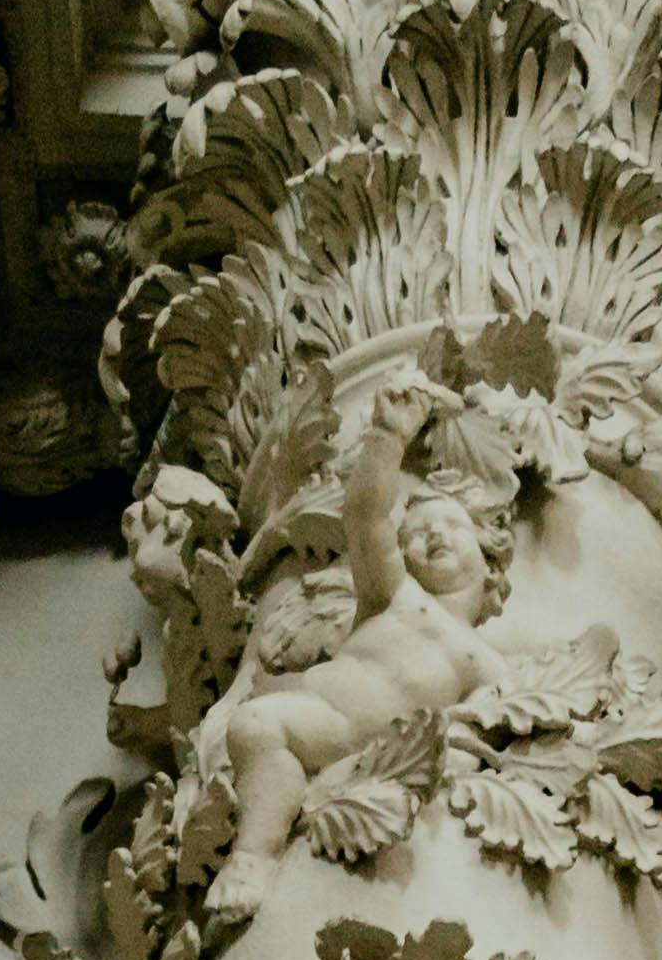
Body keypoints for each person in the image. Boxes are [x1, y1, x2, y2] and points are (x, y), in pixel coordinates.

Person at [206, 393, 507, 917]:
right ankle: (253, 856)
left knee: (259, 724)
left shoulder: (484, 662)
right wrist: (388, 435)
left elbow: (472, 737)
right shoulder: (395, 595)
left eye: (453, 525)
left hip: (380, 749)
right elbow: (366, 514)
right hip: (320, 719)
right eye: (416, 533)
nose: (433, 534)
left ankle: (263, 847)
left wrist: (424, 767)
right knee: (255, 723)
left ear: (490, 555)